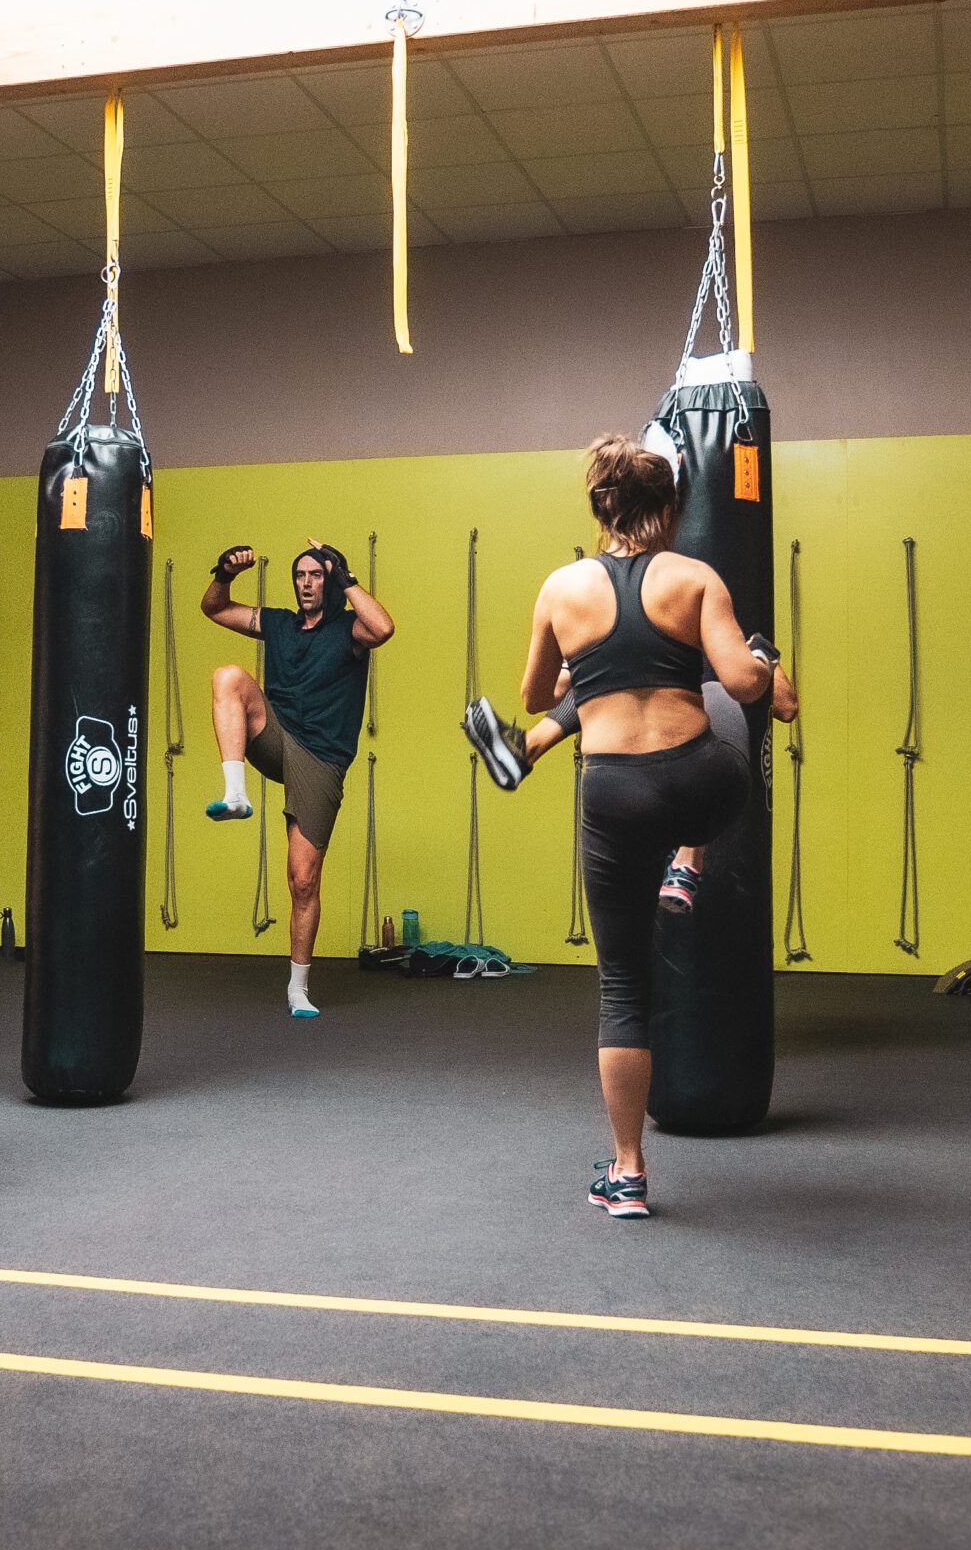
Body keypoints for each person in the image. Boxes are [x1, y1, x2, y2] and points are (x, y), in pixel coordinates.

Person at [471, 434, 772, 1219]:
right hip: (701, 783)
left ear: (599, 507)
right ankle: (689, 857)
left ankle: (630, 1172)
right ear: (668, 506)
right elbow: (741, 682)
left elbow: (537, 691)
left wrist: (577, 674)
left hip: (612, 795)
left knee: (623, 987)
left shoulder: (560, 586)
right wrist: (768, 660)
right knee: (720, 700)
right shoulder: (695, 576)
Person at [202, 538, 396, 1018]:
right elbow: (215, 608)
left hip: (322, 758)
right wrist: (225, 571)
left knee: (303, 880)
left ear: (328, 581)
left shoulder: (350, 628)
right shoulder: (280, 623)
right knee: (228, 676)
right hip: (275, 734)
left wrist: (347, 574)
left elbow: (384, 628)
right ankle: (234, 793)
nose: (306, 583)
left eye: (316, 575)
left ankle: (297, 987)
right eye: (300, 575)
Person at [469, 662, 796, 911]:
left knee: (714, 694)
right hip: (646, 758)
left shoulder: (729, 644)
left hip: (697, 768)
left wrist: (763, 658)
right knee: (612, 676)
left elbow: (786, 707)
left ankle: (686, 859)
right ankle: (527, 749)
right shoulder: (656, 627)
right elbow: (553, 688)